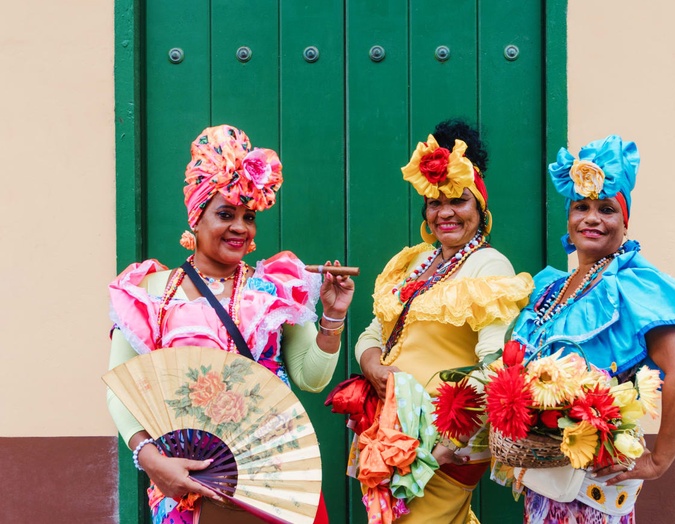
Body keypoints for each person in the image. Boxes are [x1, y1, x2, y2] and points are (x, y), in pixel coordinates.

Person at [106, 124, 354, 524]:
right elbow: (121, 388)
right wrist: (150, 459)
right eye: (226, 214)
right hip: (187, 480)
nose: (240, 227)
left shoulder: (272, 289)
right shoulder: (150, 292)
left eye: (248, 216)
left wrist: (333, 315)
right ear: (197, 217)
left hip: (276, 478)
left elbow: (311, 378)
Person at [507, 135, 675, 523]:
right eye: (581, 207)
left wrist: (658, 460)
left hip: (592, 496)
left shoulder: (633, 287)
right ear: (568, 217)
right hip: (546, 490)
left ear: (624, 221)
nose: (592, 218)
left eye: (607, 209)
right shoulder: (552, 289)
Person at [354, 119, 534, 523]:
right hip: (392, 438)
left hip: (443, 450)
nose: (446, 212)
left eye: (459, 200)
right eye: (436, 202)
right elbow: (372, 333)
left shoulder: (489, 267)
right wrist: (373, 366)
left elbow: (495, 367)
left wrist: (444, 447)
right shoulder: (413, 262)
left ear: (480, 207)